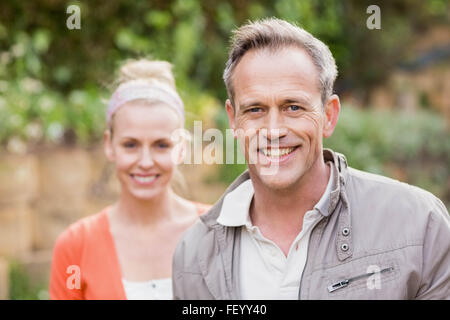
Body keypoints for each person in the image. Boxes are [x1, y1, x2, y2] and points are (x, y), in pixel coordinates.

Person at [172, 18, 450, 299]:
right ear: (233, 120)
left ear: (328, 115)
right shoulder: (195, 255)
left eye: (293, 107)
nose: (273, 130)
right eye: (255, 109)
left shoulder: (417, 224)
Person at [50, 59, 210, 299]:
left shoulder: (217, 234)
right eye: (131, 145)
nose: (145, 162)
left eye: (161, 145)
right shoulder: (75, 247)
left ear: (181, 148)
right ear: (109, 145)